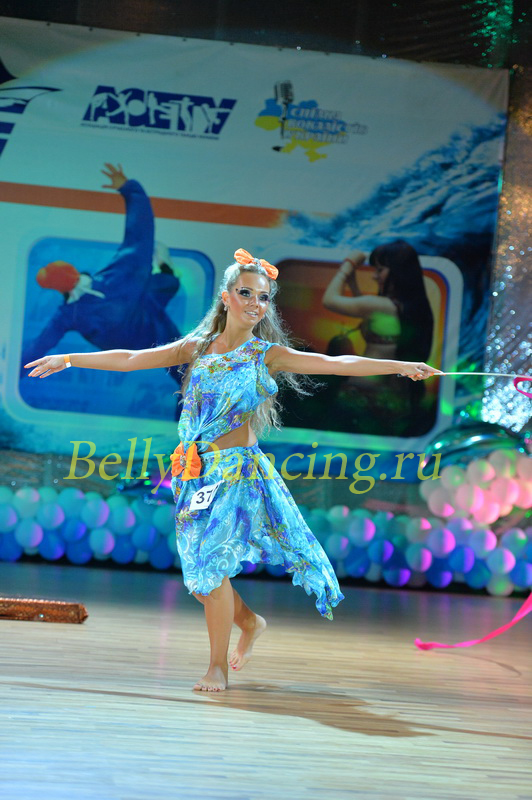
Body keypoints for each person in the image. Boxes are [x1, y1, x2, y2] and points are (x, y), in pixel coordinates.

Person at [25, 248, 440, 692]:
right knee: (200, 580)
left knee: (212, 568)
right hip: (195, 473)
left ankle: (217, 667)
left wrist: (399, 365)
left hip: (237, 475)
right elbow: (131, 357)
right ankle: (250, 622)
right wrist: (69, 359)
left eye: (263, 297)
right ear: (226, 297)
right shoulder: (197, 346)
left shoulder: (267, 354)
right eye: (245, 293)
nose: (254, 304)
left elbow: (336, 364)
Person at [20, 164, 182, 384]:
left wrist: (130, 189)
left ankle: (164, 270)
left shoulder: (116, 274)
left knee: (163, 283)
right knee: (159, 283)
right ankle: (163, 271)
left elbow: (139, 232)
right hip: (133, 340)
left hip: (149, 319)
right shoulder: (70, 314)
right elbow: (39, 346)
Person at [322, 240, 435, 435]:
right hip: (394, 401)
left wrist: (348, 265)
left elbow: (329, 301)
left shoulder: (380, 305)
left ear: (397, 272)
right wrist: (353, 284)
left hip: (361, 398)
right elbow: (369, 315)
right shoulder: (415, 310)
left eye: (380, 270)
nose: (375, 276)